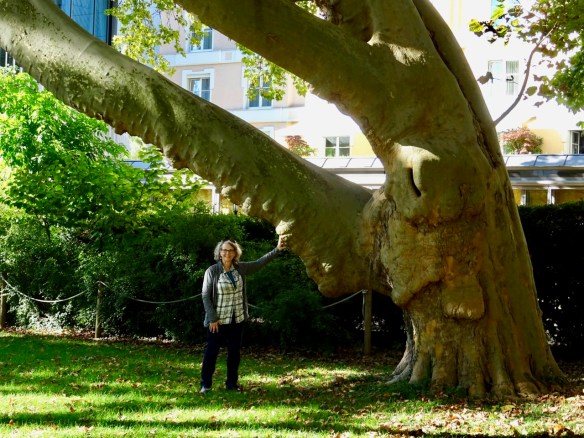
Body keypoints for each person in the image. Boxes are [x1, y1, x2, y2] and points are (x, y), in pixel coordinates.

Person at [200, 235, 286, 393]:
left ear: (235, 253)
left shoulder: (241, 268)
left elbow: (259, 263)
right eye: (224, 250)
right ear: (219, 252)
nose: (227, 253)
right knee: (211, 353)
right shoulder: (212, 271)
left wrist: (277, 250)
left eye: (231, 250)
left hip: (237, 319)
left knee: (234, 354)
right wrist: (212, 318)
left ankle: (231, 384)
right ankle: (206, 385)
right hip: (217, 321)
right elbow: (205, 295)